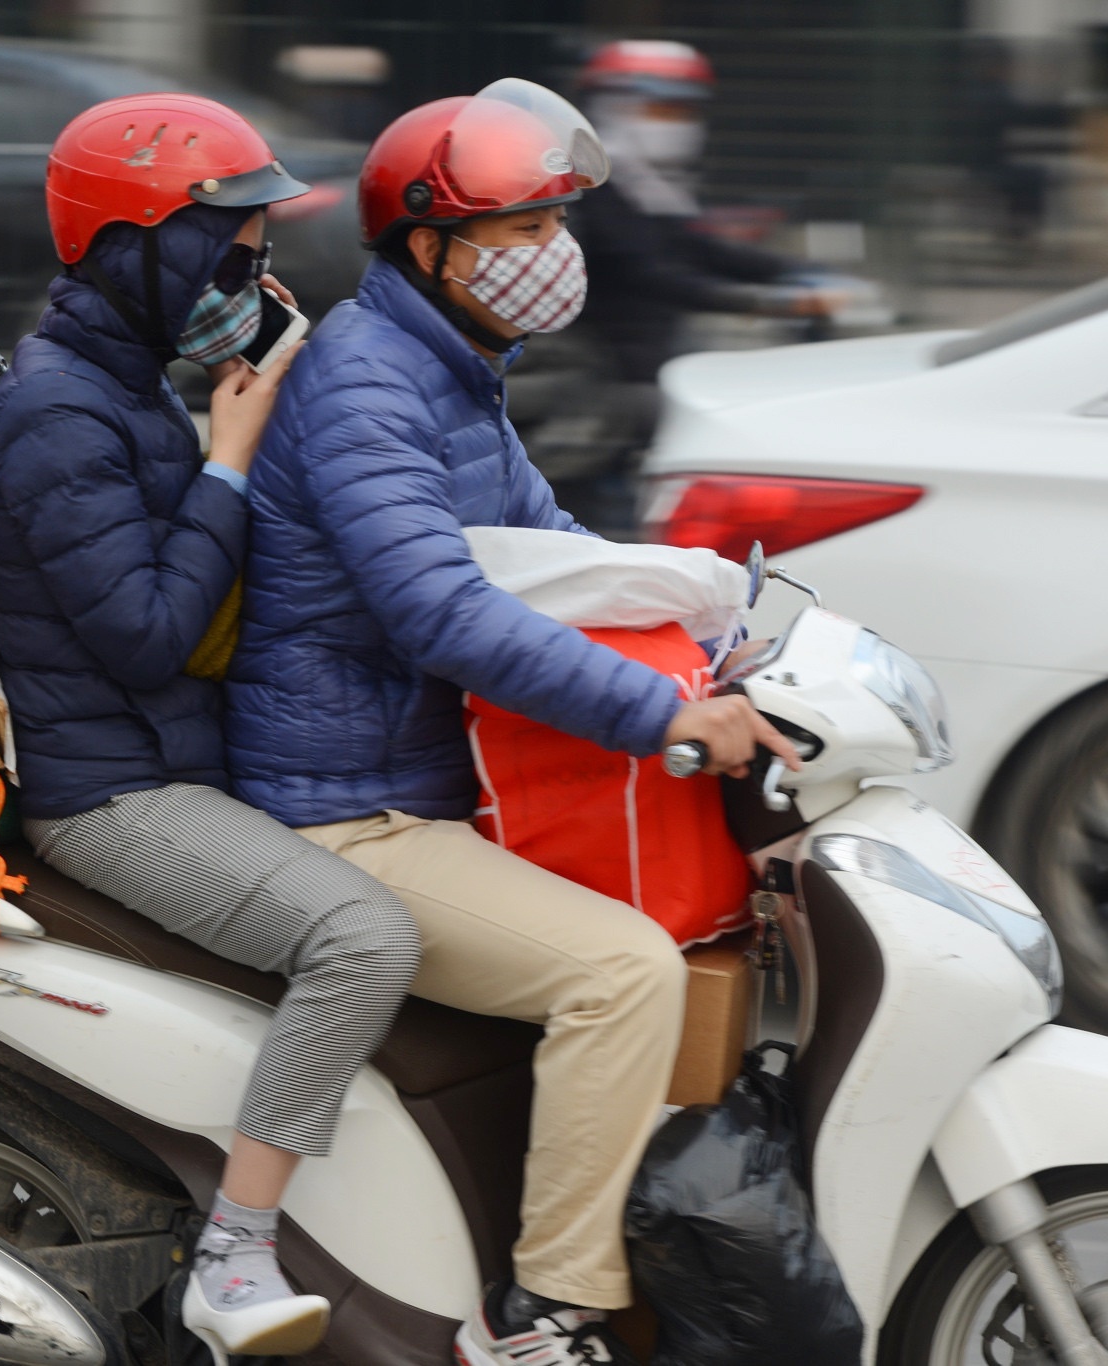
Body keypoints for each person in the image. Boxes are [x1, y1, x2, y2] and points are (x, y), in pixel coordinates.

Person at [224, 81, 799, 1366]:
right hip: (350, 806)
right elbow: (444, 615)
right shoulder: (369, 389)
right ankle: (546, 1314)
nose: (553, 254)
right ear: (426, 246)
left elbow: (558, 559)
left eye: (556, 224)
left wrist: (722, 638)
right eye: (521, 230)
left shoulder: (456, 372)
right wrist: (665, 717)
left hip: (431, 775)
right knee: (621, 970)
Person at [0, 93, 421, 1361]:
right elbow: (149, 633)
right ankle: (234, 1255)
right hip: (107, 794)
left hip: (169, 755)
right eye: (231, 249)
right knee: (361, 939)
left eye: (260, 251)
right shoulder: (62, 410)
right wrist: (229, 457)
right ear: (136, 246)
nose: (255, 274)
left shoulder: (132, 383)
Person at [558, 40, 832, 528]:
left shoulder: (650, 183)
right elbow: (649, 273)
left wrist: (788, 271)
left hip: (652, 359)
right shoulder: (592, 187)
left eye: (687, 111)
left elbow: (697, 248)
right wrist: (761, 301)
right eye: (663, 109)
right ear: (613, 107)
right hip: (602, 373)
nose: (678, 125)